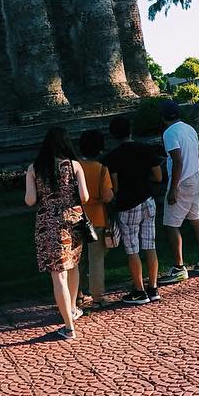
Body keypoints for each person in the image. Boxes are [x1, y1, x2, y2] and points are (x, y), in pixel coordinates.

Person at [24, 126, 91, 341]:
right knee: (73, 266)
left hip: (48, 224)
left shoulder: (34, 168)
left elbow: (30, 200)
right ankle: (71, 308)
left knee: (58, 274)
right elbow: (85, 196)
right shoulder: (74, 165)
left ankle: (69, 327)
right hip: (73, 220)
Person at [103, 116, 163, 305]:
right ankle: (153, 287)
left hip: (128, 204)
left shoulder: (112, 157)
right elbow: (159, 177)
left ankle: (139, 290)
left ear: (113, 135)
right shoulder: (146, 149)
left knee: (132, 249)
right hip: (148, 200)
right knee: (150, 244)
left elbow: (115, 186)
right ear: (130, 130)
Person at [159, 101, 199, 284]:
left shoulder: (169, 133)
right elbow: (197, 154)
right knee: (195, 218)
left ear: (163, 117)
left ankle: (179, 267)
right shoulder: (189, 129)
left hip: (182, 181)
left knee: (171, 224)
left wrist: (173, 187)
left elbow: (177, 160)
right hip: (196, 176)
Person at [75, 129, 114, 310]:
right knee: (96, 260)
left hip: (77, 218)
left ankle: (77, 294)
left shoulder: (74, 167)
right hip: (97, 218)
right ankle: (98, 297)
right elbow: (107, 197)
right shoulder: (101, 169)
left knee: (77, 260)